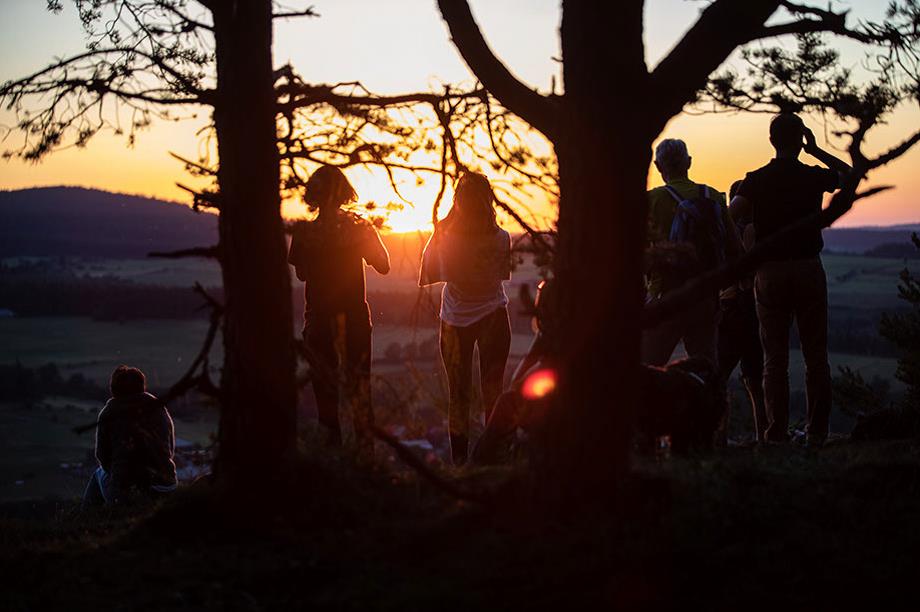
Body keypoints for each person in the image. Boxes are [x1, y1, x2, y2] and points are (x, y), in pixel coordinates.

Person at [731, 113, 851, 447]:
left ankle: (776, 435)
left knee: (774, 359)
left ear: (771, 140)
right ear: (800, 140)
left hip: (770, 273)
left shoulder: (755, 179)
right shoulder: (812, 176)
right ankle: (816, 434)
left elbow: (733, 214)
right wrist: (816, 151)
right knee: (816, 357)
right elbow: (850, 176)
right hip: (809, 268)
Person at [288, 165, 390, 459]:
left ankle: (332, 459)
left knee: (325, 396)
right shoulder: (358, 227)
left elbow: (303, 275)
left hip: (318, 320)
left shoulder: (304, 231)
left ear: (313, 195)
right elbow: (383, 265)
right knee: (361, 391)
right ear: (345, 192)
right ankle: (366, 459)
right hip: (354, 319)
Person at [419, 172, 512, 465]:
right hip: (494, 316)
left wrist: (442, 226)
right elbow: (502, 275)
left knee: (458, 399)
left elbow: (428, 273)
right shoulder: (502, 237)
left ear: (457, 201)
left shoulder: (447, 237)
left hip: (453, 320)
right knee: (493, 395)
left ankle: (460, 466)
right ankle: (493, 461)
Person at [643, 138, 742, 366]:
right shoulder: (713, 197)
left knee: (646, 369)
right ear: (689, 162)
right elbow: (735, 247)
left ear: (658, 166)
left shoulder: (653, 199)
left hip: (665, 297)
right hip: (705, 297)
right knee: (705, 370)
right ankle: (708, 402)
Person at [83, 366, 177, 506]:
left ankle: (87, 521)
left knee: (98, 475)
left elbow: (102, 455)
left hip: (128, 490)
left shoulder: (109, 412)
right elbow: (170, 448)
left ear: (114, 388)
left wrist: (120, 475)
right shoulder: (157, 406)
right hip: (166, 486)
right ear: (142, 385)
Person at [718, 180, 767, 442]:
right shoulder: (755, 230)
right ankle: (765, 435)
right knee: (755, 378)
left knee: (720, 376)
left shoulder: (725, 233)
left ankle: (719, 436)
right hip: (753, 306)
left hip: (730, 306)